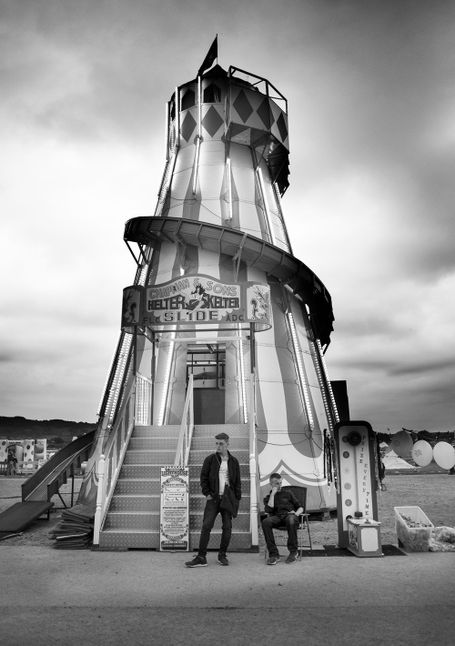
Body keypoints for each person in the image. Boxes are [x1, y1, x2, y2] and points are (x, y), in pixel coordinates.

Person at [185, 432, 241, 568]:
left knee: (227, 527)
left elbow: (237, 482)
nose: (218, 446)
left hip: (227, 499)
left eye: (221, 444)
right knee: (206, 526)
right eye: (216, 443)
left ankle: (222, 555)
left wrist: (236, 499)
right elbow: (203, 477)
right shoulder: (210, 459)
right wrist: (207, 494)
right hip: (214, 499)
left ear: (227, 444)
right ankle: (201, 557)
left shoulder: (234, 462)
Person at [261, 473, 303, 565]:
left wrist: (296, 514)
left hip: (290, 516)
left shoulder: (288, 493)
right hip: (278, 518)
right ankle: (274, 555)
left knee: (291, 519)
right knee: (265, 522)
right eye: (277, 483)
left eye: (280, 483)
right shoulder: (268, 497)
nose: (279, 485)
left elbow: (300, 507)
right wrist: (273, 494)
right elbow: (269, 510)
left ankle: (293, 552)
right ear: (271, 484)